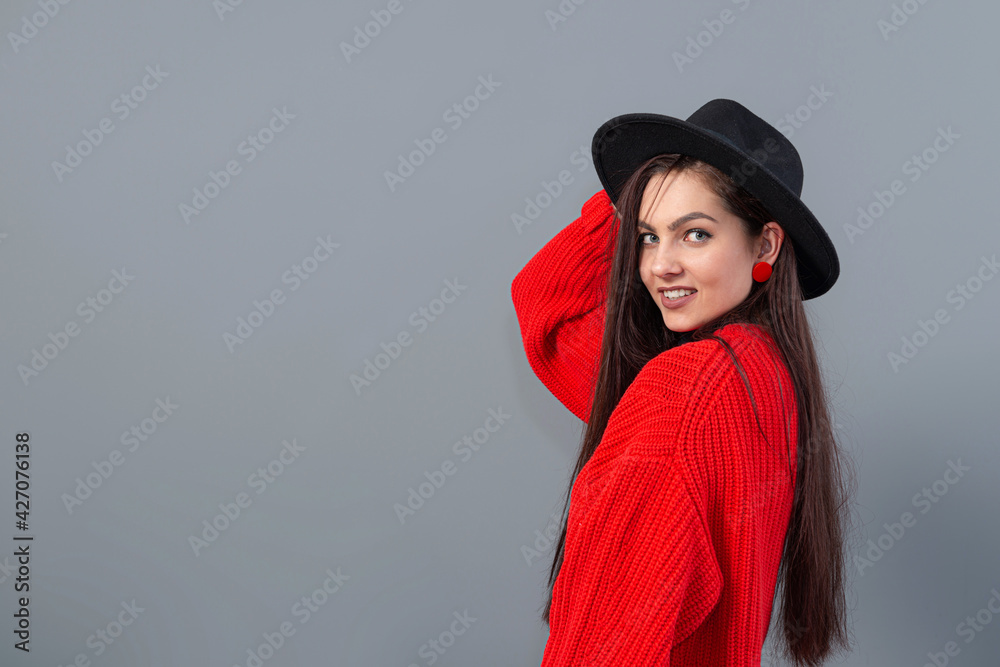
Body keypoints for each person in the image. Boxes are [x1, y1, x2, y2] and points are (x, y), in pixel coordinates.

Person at [511, 99, 855, 666]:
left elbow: (610, 647)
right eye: (647, 236)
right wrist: (651, 185)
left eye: (694, 234)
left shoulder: (685, 393)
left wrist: (636, 188)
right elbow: (549, 311)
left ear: (766, 245)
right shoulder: (764, 375)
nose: (659, 266)